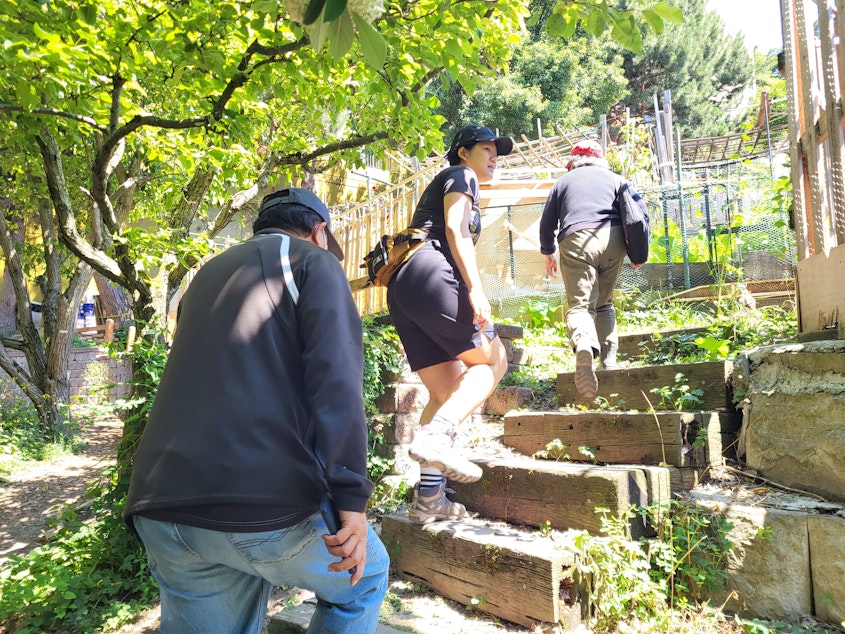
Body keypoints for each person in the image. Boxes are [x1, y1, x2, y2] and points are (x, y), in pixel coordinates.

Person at [124, 187, 389, 633]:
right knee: (365, 580)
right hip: (257, 508)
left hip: (161, 508)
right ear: (319, 231)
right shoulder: (311, 261)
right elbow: (337, 384)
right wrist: (352, 502)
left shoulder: (206, 276)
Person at [387, 124, 513, 524]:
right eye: (487, 148)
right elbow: (456, 230)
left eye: (498, 151)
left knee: (445, 391)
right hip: (429, 272)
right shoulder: (462, 175)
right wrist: (476, 290)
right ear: (463, 152)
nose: (495, 156)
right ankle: (438, 437)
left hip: (403, 287)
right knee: (494, 361)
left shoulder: (454, 179)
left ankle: (428, 501)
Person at [539, 139, 645, 400]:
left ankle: (584, 343)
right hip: (613, 238)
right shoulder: (616, 179)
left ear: (573, 161)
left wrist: (547, 252)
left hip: (576, 238)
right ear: (600, 160)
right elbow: (639, 213)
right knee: (605, 303)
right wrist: (637, 251)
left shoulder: (563, 183)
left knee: (580, 306)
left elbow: (547, 223)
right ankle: (609, 362)